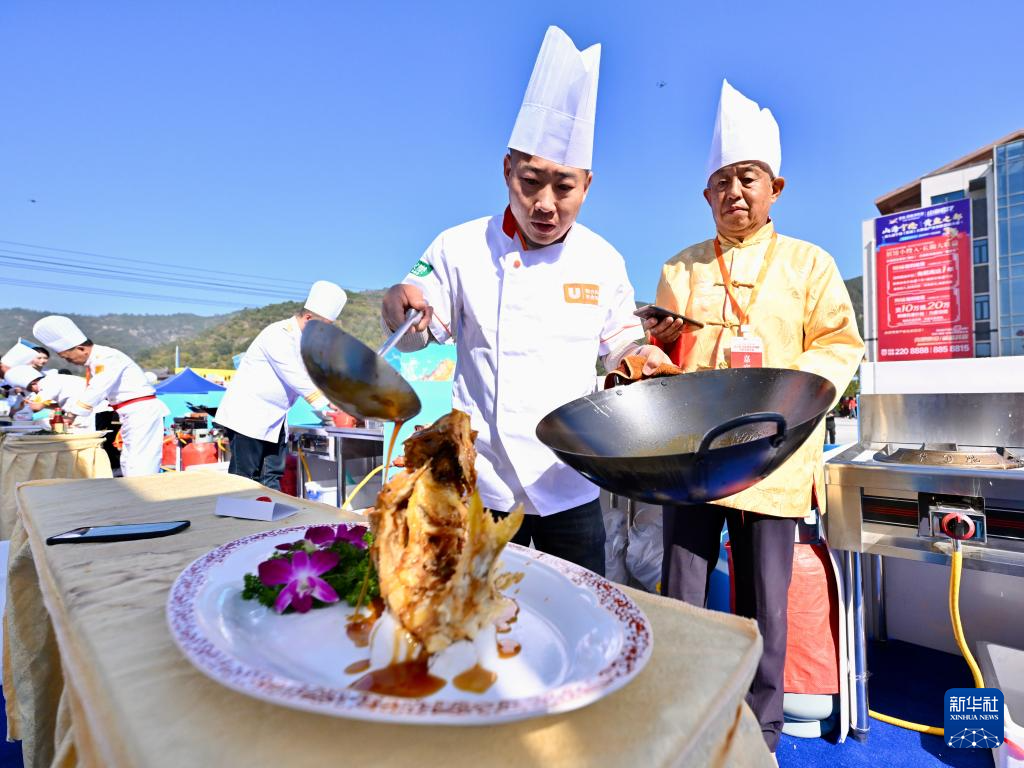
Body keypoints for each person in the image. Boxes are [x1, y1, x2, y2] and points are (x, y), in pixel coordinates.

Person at [380, 26, 672, 575]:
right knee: (473, 607)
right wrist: (399, 302)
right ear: (507, 170)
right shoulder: (459, 246)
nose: (544, 204)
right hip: (480, 483)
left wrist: (644, 356)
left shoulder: (603, 259)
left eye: (564, 187)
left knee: (577, 605)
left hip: (570, 481)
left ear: (588, 185)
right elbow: (417, 326)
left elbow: (621, 349)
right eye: (531, 181)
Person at [644, 80, 864, 752]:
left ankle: (760, 730)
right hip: (693, 456)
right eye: (722, 182)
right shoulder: (680, 268)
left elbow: (839, 344)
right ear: (705, 195)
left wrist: (791, 396)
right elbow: (661, 360)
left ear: (775, 188)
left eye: (748, 179)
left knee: (767, 599)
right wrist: (653, 353)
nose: (734, 192)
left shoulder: (810, 264)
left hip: (774, 454)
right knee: (683, 594)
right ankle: (683, 715)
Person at [215, 281, 347, 490]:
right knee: (244, 480)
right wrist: (328, 401)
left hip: (275, 419)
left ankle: (270, 512)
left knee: (271, 477)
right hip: (248, 417)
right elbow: (294, 375)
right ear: (309, 318)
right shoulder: (278, 334)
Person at [33, 315, 169, 475]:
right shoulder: (96, 361)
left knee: (140, 459)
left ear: (81, 349)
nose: (69, 362)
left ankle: (145, 488)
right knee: (129, 458)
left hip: (141, 410)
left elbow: (98, 388)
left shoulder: (107, 357)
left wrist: (72, 415)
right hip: (130, 411)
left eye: (67, 357)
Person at [3, 365, 93, 427]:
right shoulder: (51, 379)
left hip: (88, 414)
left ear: (33, 383)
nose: (32, 392)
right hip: (83, 412)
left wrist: (27, 403)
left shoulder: (47, 384)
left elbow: (36, 407)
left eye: (29, 389)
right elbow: (57, 406)